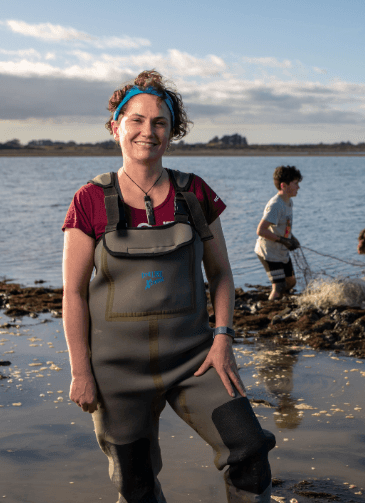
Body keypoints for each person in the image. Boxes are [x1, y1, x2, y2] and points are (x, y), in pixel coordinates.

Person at [62, 70, 274, 503]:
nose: (148, 131)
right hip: (115, 373)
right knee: (136, 488)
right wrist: (81, 371)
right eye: (136, 120)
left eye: (160, 122)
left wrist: (222, 339)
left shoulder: (194, 192)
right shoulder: (89, 200)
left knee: (249, 450)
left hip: (196, 359)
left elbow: (221, 275)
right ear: (115, 126)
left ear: (172, 132)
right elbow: (74, 293)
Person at [254, 165, 302, 300]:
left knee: (291, 282)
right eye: (296, 183)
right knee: (279, 286)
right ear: (284, 186)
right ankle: (270, 309)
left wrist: (292, 238)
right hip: (268, 252)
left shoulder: (289, 202)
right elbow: (261, 230)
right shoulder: (275, 205)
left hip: (281, 250)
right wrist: (283, 240)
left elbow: (284, 226)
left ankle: (282, 300)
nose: (298, 187)